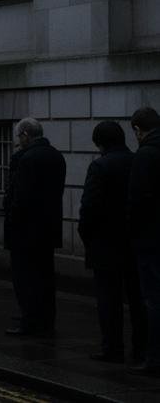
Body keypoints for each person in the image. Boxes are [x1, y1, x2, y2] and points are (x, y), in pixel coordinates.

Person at [78, 120, 146, 364]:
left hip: (105, 244)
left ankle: (112, 348)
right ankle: (141, 349)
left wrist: (87, 236)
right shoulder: (137, 161)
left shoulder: (100, 166)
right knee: (138, 300)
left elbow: (89, 207)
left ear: (100, 143)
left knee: (109, 300)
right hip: (134, 241)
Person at [4, 117, 66, 336]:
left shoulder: (26, 158)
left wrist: (12, 220)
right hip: (48, 227)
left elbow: (20, 197)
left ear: (25, 135)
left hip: (26, 230)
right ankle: (47, 321)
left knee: (25, 278)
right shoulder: (56, 156)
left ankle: (29, 320)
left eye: (19, 136)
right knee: (46, 277)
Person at [129, 106, 160, 375]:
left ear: (138, 130)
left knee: (153, 300)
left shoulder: (145, 155)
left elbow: (136, 202)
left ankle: (154, 358)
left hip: (150, 239)